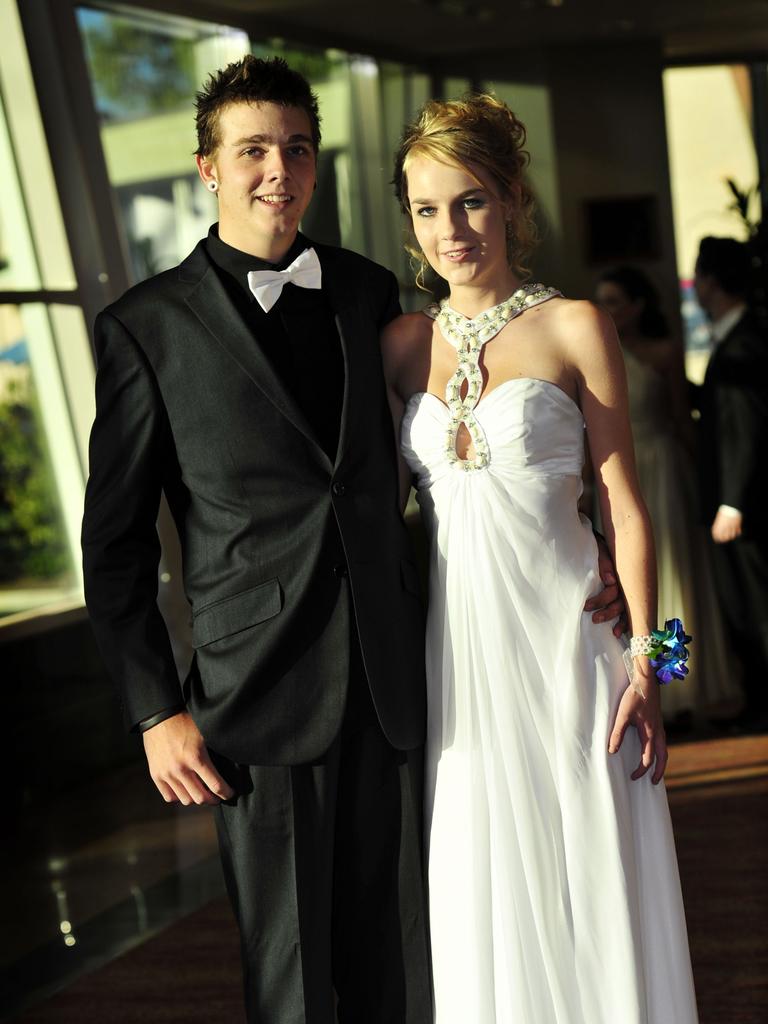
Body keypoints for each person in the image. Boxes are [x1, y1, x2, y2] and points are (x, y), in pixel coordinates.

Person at [81, 57, 625, 1022]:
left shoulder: (373, 298)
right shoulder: (145, 329)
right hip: (257, 697)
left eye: (296, 148)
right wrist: (155, 711)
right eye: (251, 151)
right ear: (208, 167)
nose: (276, 171)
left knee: (416, 966)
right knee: (292, 983)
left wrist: (618, 588)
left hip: (408, 682)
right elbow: (115, 544)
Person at [382, 95, 698, 1023]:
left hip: (573, 650)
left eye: (472, 201)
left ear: (514, 199)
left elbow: (630, 515)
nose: (452, 230)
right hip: (463, 666)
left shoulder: (575, 326)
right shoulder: (400, 346)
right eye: (428, 210)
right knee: (485, 877)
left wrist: (657, 663)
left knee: (591, 867)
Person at [596, 267, 735, 727]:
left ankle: (679, 684)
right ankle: (645, 679)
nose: (607, 310)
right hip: (620, 475)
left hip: (665, 472)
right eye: (602, 301)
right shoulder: (595, 353)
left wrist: (707, 485)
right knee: (632, 583)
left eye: (615, 300)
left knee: (673, 579)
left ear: (638, 306)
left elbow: (681, 417)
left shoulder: (662, 353)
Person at [693, 236, 768, 729]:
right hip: (739, 502)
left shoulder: (746, 344)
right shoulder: (738, 338)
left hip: (746, 506)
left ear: (711, 284)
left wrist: (732, 504)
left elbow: (746, 428)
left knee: (756, 606)